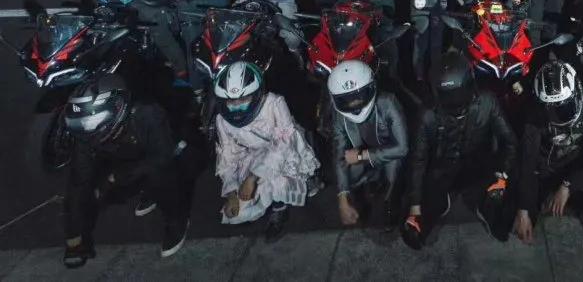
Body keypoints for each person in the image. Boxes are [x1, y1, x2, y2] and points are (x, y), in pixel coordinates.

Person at [62, 75, 189, 267]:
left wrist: (118, 177)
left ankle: (177, 220)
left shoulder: (148, 113)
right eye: (81, 126)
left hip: (162, 148)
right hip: (122, 151)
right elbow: (78, 183)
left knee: (161, 175)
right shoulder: (86, 134)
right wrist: (74, 238)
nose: (86, 131)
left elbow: (162, 158)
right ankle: (144, 187)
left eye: (91, 123)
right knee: (86, 184)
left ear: (117, 108)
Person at [401, 50, 518, 249]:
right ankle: (439, 203)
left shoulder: (487, 101)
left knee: (504, 220)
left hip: (478, 167)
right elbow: (418, 159)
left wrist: (502, 175)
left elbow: (510, 142)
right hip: (440, 171)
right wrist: (415, 206)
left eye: (457, 94)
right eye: (448, 96)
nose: (454, 101)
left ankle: (485, 206)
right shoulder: (427, 113)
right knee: (412, 233)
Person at [511, 61, 583, 246]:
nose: (557, 115)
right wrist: (523, 209)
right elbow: (527, 162)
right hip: (545, 170)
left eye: (564, 107)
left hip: (576, 167)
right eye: (551, 109)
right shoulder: (535, 116)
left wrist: (568, 185)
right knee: (513, 221)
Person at [213, 61, 320, 242]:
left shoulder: (275, 103)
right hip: (254, 155)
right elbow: (227, 157)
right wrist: (231, 191)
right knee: (237, 213)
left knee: (278, 179)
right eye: (231, 101)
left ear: (256, 95)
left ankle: (280, 207)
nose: (237, 106)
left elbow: (284, 144)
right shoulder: (222, 120)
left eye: (243, 99)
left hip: (286, 150)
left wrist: (252, 178)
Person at [328, 61, 409, 227]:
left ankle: (391, 203)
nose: (354, 104)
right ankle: (362, 192)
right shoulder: (338, 115)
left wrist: (361, 155)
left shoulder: (388, 102)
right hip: (362, 156)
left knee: (394, 167)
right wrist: (342, 199)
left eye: (358, 96)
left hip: (387, 153)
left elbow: (402, 148)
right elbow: (339, 155)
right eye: (346, 100)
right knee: (347, 169)